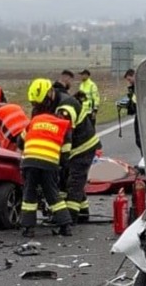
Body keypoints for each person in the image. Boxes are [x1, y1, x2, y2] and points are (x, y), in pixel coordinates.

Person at [21, 78, 73, 238]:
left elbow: (20, 140)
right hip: (50, 163)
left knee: (29, 194)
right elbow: (66, 151)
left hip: (30, 162)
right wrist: (63, 166)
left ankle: (28, 228)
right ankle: (65, 226)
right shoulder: (62, 124)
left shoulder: (35, 121)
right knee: (52, 193)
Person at [53, 81, 99, 223]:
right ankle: (83, 212)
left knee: (74, 182)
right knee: (72, 180)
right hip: (80, 146)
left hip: (83, 147)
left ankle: (70, 217)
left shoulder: (65, 109)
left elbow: (66, 134)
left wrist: (63, 158)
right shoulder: (62, 105)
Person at [120, 68, 141, 152]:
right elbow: (134, 100)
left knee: (141, 139)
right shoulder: (134, 87)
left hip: (142, 115)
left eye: (129, 79)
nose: (129, 82)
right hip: (138, 114)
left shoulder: (140, 87)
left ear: (134, 76)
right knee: (139, 140)